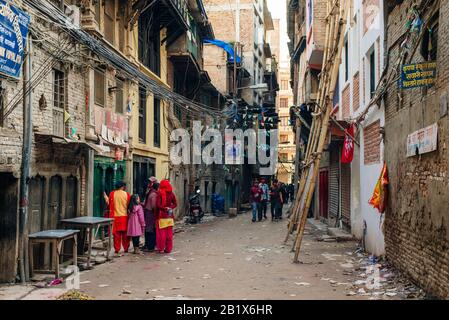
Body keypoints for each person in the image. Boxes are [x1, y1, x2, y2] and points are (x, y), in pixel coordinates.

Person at [103, 181, 131, 255]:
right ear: (122, 186)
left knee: (116, 235)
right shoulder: (127, 194)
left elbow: (109, 203)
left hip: (115, 217)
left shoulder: (112, 194)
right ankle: (126, 248)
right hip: (124, 217)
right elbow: (129, 206)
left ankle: (117, 249)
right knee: (125, 234)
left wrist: (106, 197)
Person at [156, 180, 178, 254]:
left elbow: (158, 205)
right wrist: (170, 207)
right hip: (170, 216)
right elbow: (175, 204)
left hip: (162, 216)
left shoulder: (160, 193)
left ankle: (161, 248)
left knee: (162, 234)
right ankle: (168, 249)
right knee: (169, 234)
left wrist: (165, 208)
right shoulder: (171, 193)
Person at [143, 178, 159, 251]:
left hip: (148, 212)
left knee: (149, 229)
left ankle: (148, 245)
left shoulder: (151, 192)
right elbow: (153, 206)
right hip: (150, 213)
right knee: (151, 229)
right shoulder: (153, 193)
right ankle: (150, 246)